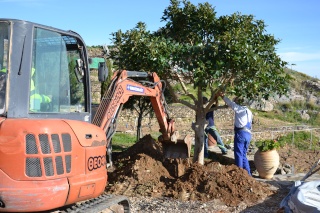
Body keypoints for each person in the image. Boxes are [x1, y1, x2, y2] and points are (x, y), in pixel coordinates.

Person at [220, 93, 253, 175]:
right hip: (248, 134)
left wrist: (222, 96)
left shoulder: (240, 109)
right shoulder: (249, 112)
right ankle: (248, 174)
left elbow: (231, 104)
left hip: (241, 133)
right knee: (243, 155)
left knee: (238, 154)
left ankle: (240, 173)